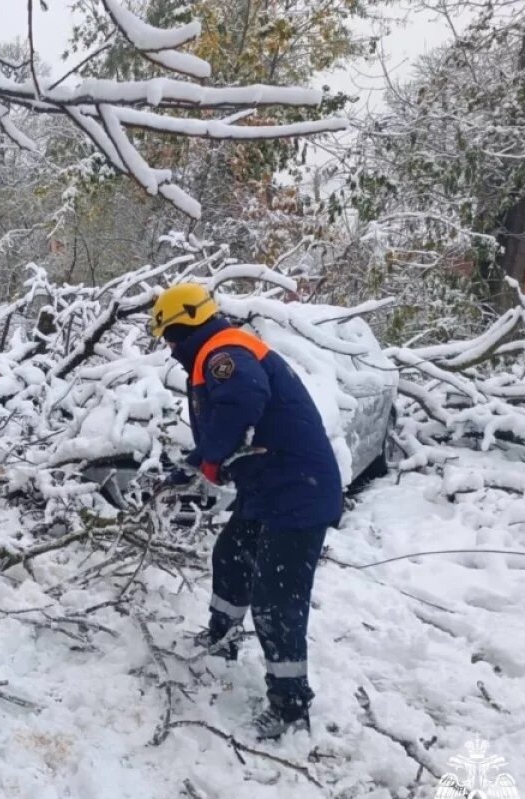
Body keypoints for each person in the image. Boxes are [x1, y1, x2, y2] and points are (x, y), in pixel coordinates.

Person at [148, 282, 343, 740]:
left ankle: (290, 706)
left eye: (171, 336)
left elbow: (241, 403)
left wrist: (208, 456)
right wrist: (202, 463)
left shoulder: (223, 353)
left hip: (298, 493)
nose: (171, 347)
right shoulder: (220, 348)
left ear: (184, 325)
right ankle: (222, 637)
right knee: (231, 555)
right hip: (271, 488)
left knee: (277, 600)